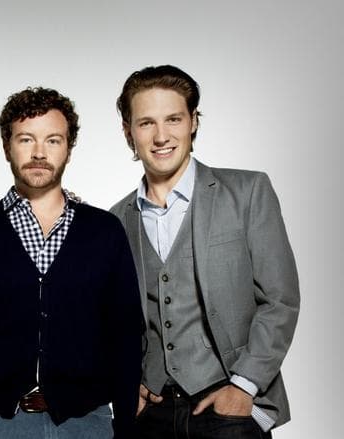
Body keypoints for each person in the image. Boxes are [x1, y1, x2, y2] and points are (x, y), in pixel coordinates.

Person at [0, 87, 143, 439]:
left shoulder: (104, 231)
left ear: (69, 149)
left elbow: (125, 335)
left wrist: (124, 428)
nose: (39, 153)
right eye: (26, 139)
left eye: (53, 140)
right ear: (6, 147)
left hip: (88, 424)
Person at [110, 65, 300, 439]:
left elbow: (280, 300)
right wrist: (125, 383)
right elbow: (113, 323)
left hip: (229, 408)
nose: (161, 136)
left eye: (173, 119)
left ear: (193, 121)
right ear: (128, 131)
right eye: (146, 123)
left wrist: (244, 386)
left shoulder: (247, 192)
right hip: (150, 415)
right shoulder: (116, 220)